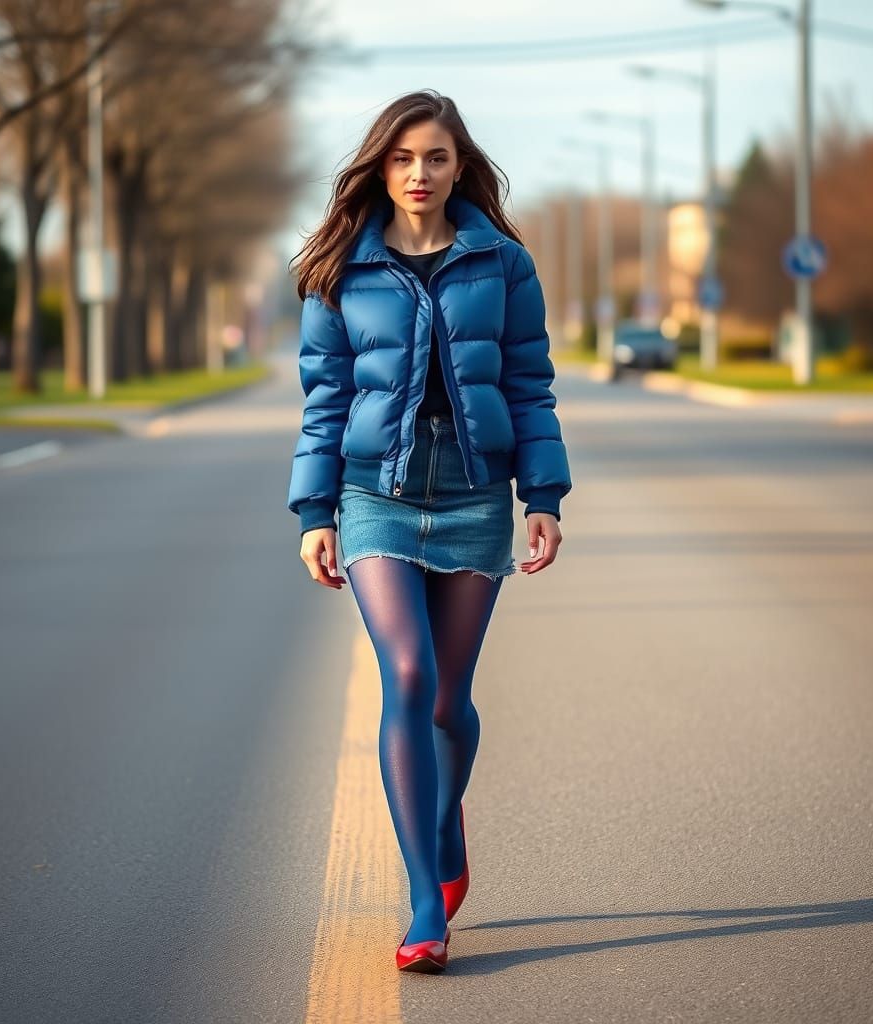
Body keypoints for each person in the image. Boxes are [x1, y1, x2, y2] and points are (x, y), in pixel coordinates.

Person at [287, 90, 572, 973]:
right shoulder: (340, 268)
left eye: (436, 157)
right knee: (406, 673)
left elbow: (529, 382)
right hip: (376, 490)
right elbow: (325, 398)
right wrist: (315, 512)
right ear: (381, 164)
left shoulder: (502, 262)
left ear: (459, 165)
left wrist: (544, 496)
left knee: (450, 698)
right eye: (405, 157)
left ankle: (444, 827)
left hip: (475, 491)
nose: (420, 173)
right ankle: (423, 903)